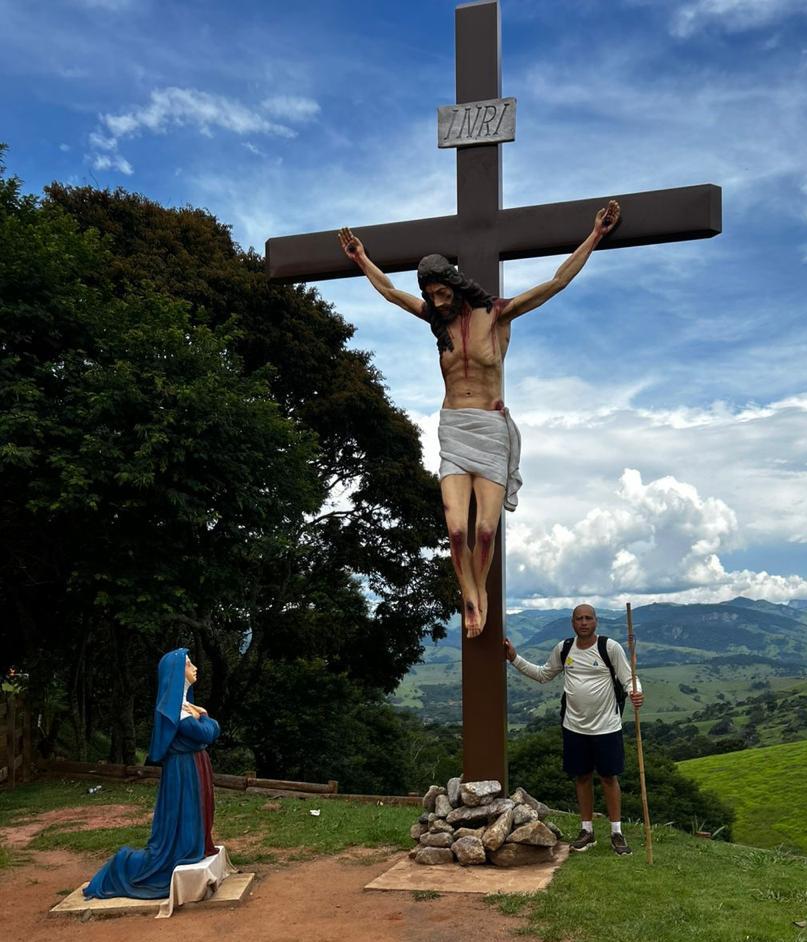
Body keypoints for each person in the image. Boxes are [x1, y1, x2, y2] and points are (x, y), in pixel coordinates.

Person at [338, 203, 620, 638]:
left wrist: (595, 235)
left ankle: (481, 591)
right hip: (454, 427)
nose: (437, 300)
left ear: (454, 284)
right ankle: (468, 595)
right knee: (455, 530)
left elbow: (556, 282)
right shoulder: (436, 321)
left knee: (485, 531)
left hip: (489, 429)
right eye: (431, 294)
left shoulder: (497, 314)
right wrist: (361, 259)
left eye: (441, 291)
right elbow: (391, 293)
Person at [504, 603, 643, 855]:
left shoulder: (609, 647)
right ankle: (586, 830)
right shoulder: (564, 648)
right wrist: (514, 658)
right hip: (574, 727)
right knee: (582, 777)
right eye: (579, 618)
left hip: (607, 727)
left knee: (609, 777)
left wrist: (636, 692)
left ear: (596, 621)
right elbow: (543, 675)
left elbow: (628, 678)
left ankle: (616, 832)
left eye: (588, 618)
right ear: (572, 622)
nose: (584, 622)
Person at [84, 648, 220, 899]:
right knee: (185, 811)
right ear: (176, 673)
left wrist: (203, 719)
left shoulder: (184, 707)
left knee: (197, 810)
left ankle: (193, 843)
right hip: (183, 770)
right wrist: (204, 716)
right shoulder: (176, 711)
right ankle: (124, 864)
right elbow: (207, 733)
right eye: (188, 664)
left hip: (192, 766)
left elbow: (208, 733)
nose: (195, 668)